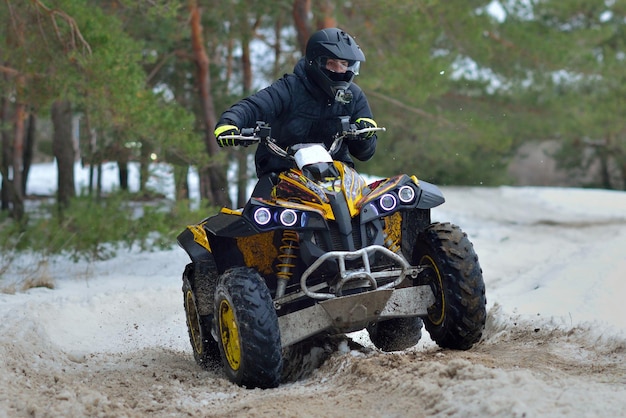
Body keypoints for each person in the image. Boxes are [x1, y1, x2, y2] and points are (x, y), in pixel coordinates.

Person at [214, 27, 378, 198]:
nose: (339, 70)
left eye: (344, 64)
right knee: (255, 218)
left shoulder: (354, 96)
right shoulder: (288, 89)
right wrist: (229, 123)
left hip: (338, 181)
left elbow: (365, 153)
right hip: (281, 178)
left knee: (373, 213)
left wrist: (364, 135)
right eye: (331, 63)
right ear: (316, 62)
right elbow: (253, 107)